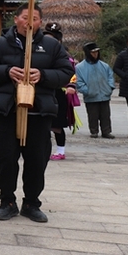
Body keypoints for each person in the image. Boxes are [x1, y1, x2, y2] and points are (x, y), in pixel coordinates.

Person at [0, 3, 74, 223]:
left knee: (37, 159)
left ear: (40, 21)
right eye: (24, 17)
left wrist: (42, 75)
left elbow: (66, 72)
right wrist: (6, 71)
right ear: (16, 19)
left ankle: (31, 202)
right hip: (8, 111)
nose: (28, 22)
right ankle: (7, 201)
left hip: (39, 112)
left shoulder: (51, 46)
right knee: (5, 158)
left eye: (34, 18)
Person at [44, 22, 78, 161]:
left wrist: (71, 86)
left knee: (57, 125)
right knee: (41, 124)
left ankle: (60, 151)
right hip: (43, 90)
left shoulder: (65, 55)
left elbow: (72, 73)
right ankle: (41, 150)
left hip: (60, 92)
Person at [75, 42, 115, 139]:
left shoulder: (104, 65)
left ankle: (106, 131)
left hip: (104, 94)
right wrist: (87, 91)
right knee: (93, 115)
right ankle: (94, 131)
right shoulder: (79, 67)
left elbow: (111, 77)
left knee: (105, 115)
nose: (95, 54)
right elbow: (78, 82)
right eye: (93, 52)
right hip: (91, 96)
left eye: (97, 52)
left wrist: (109, 87)